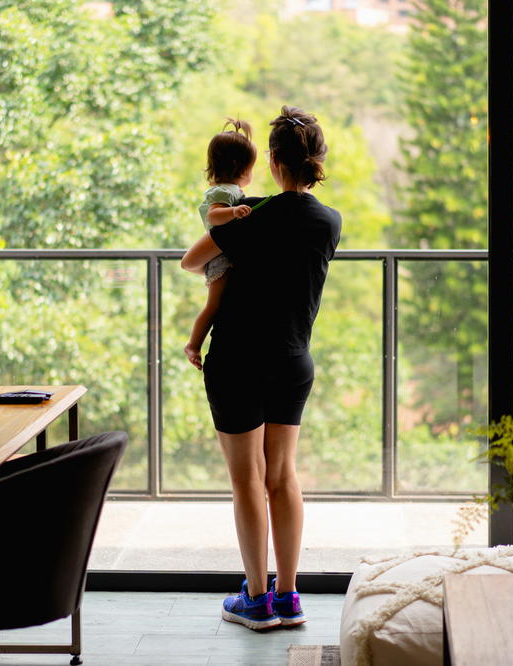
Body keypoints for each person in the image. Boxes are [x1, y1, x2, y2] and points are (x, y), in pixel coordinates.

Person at [180, 106, 341, 631]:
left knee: (247, 479)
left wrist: (239, 216)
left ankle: (255, 599)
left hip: (237, 362)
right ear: (316, 162)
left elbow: (194, 258)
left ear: (273, 161)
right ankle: (289, 596)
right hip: (294, 361)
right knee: (283, 476)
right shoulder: (329, 221)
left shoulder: (252, 215)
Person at [184, 119, 257, 371]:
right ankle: (193, 344)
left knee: (219, 303)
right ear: (241, 167)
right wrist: (234, 212)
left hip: (224, 254)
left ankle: (194, 343)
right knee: (214, 305)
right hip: (220, 257)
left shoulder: (228, 190)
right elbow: (213, 216)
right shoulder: (224, 194)